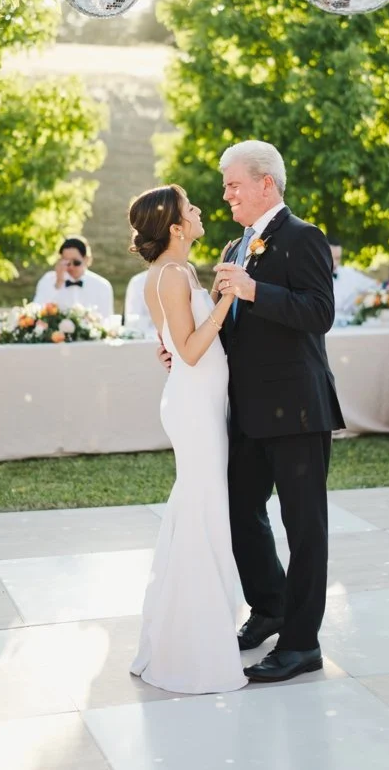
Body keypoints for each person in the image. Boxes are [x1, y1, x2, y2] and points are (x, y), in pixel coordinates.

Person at [193, 139, 343, 684]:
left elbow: (319, 313)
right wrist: (189, 347)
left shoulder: (304, 238)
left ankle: (303, 644)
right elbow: (234, 329)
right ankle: (271, 606)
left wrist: (255, 290)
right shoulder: (235, 246)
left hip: (300, 409)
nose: (226, 194)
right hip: (250, 410)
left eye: (233, 184)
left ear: (266, 185)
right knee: (238, 510)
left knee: (305, 529)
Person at [127, 184, 245, 694]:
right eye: (190, 209)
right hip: (194, 406)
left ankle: (193, 625)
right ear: (176, 228)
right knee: (202, 511)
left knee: (196, 508)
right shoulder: (173, 274)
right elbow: (192, 351)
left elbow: (172, 345)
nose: (199, 212)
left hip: (197, 400)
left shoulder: (170, 272)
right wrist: (223, 300)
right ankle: (193, 642)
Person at [33, 237, 115, 321]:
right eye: (66, 262)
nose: (71, 266)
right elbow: (36, 310)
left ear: (86, 260)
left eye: (76, 262)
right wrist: (58, 283)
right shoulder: (48, 280)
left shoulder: (102, 286)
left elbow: (107, 320)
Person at [328, 237, 376, 321]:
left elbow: (375, 287)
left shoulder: (349, 274)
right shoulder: (311, 277)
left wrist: (361, 299)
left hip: (349, 327)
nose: (335, 263)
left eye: (338, 258)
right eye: (331, 258)